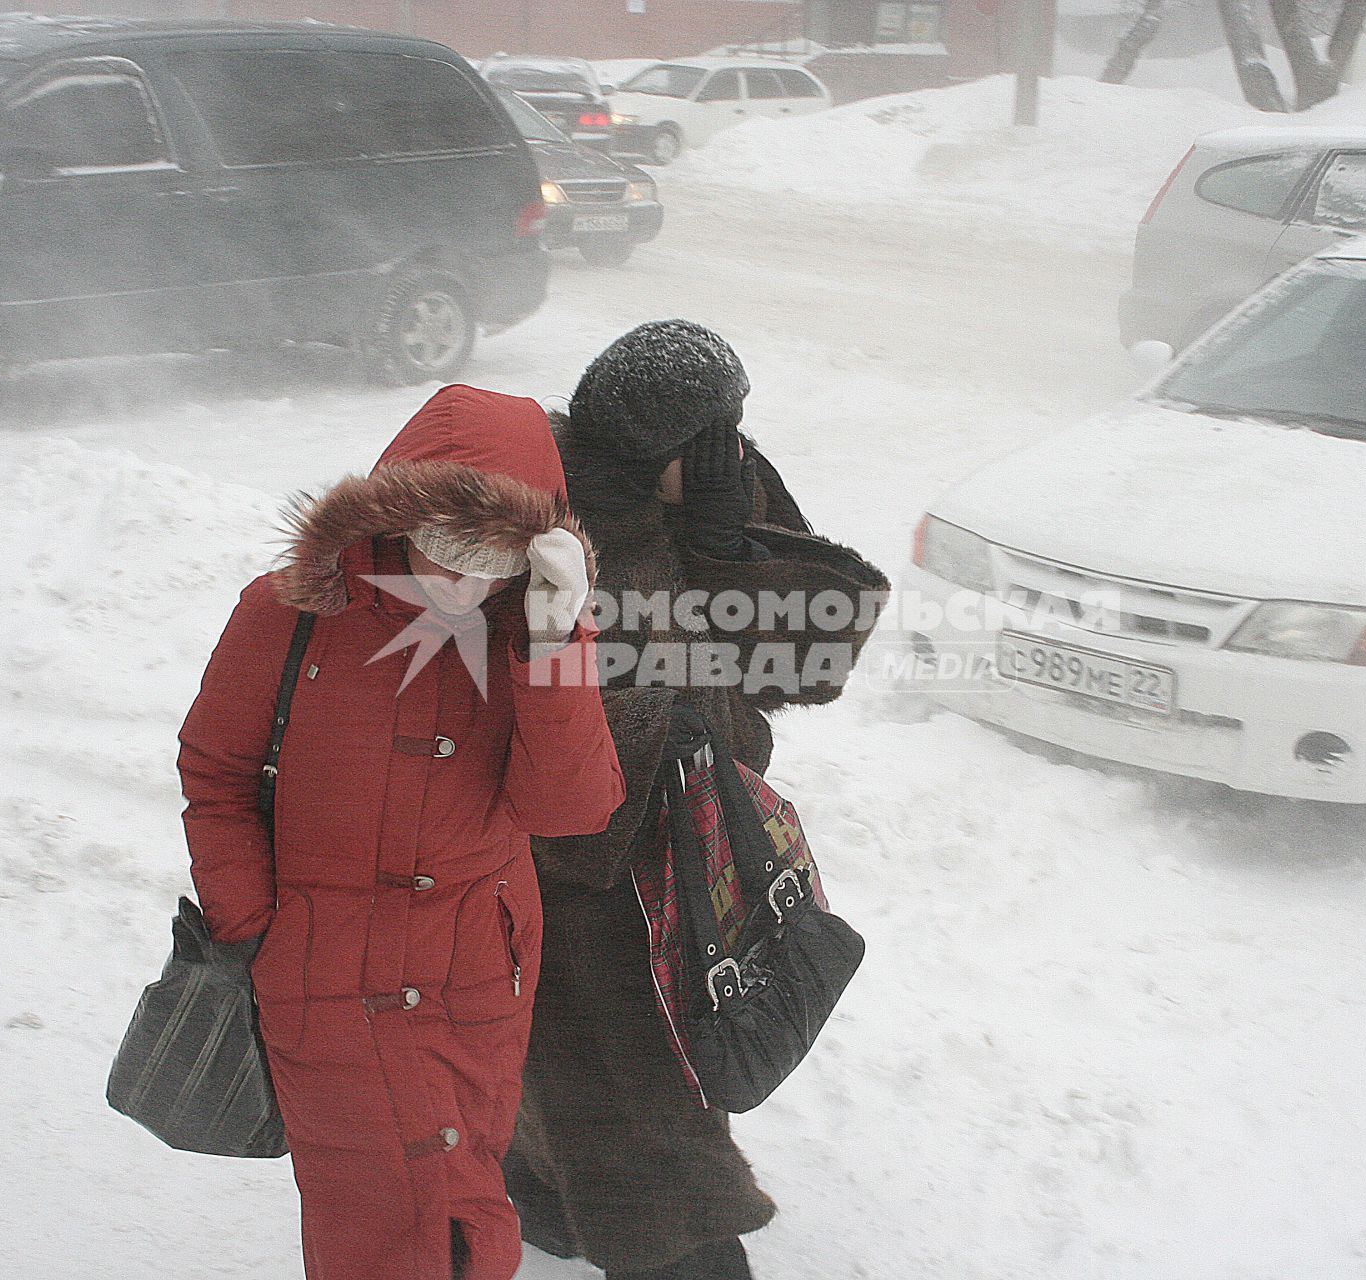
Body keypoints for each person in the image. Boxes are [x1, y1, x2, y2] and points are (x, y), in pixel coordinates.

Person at [176, 385, 625, 1280]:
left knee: (465, 1202)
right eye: (443, 545)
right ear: (396, 510)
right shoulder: (292, 610)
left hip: (473, 980)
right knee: (376, 1229)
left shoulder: (529, 633)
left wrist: (552, 643)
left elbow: (572, 811)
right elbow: (215, 773)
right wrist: (256, 928)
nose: (460, 579)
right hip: (322, 976)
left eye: (488, 558)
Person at [505, 321, 890, 1280]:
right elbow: (524, 729)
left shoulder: (720, 489)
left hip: (697, 838)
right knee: (632, 1099)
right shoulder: (546, 528)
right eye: (717, 433)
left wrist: (722, 547)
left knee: (653, 1063)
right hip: (587, 878)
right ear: (651, 448)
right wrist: (651, 724)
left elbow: (815, 653)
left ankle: (547, 1202)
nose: (740, 449)